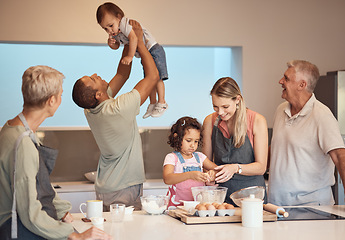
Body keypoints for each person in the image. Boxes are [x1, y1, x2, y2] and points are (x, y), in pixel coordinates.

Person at [0, 66, 111, 240]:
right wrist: (73, 235)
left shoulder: (13, 129)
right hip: (19, 231)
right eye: (60, 94)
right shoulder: (22, 144)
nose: (60, 99)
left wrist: (62, 211)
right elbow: (30, 214)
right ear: (52, 101)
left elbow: (38, 182)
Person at [72, 20, 159, 211]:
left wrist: (129, 41)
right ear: (98, 94)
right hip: (123, 188)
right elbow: (152, 77)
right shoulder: (118, 109)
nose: (96, 74)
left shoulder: (92, 109)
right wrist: (142, 45)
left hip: (107, 187)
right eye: (94, 79)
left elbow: (122, 73)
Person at [268, 60, 345, 206]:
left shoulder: (322, 115)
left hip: (311, 207)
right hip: (278, 205)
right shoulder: (281, 110)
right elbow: (277, 149)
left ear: (302, 85)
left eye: (286, 78)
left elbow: (340, 156)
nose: (280, 81)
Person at [202, 77, 268, 205]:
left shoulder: (257, 121)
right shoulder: (210, 121)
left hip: (251, 197)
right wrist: (209, 175)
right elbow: (205, 162)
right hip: (220, 198)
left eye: (225, 106)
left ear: (237, 99)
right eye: (215, 107)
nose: (220, 112)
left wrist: (235, 168)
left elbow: (261, 167)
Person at [96, 2, 168, 119]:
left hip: (153, 49)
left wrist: (130, 56)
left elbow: (133, 38)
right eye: (105, 29)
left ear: (119, 17)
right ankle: (154, 102)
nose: (109, 31)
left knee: (157, 78)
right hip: (145, 52)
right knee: (150, 81)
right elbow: (119, 46)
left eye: (110, 25)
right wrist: (111, 44)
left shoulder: (125, 24)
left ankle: (162, 102)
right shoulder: (116, 32)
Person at [163, 117, 218, 208]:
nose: (193, 145)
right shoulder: (172, 158)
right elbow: (167, 179)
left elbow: (218, 170)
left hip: (198, 206)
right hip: (177, 206)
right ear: (177, 138)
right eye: (188, 140)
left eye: (196, 141)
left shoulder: (200, 157)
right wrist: (190, 175)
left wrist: (212, 174)